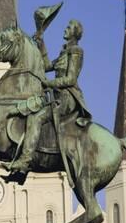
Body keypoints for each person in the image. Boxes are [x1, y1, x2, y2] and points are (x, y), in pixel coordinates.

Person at [8, 19, 91, 175]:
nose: (65, 29)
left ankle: (25, 160)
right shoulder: (64, 52)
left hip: (68, 97)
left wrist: (49, 83)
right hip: (57, 95)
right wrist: (41, 43)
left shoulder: (76, 51)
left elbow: (71, 79)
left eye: (68, 27)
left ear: (75, 33)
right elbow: (45, 66)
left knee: (36, 118)